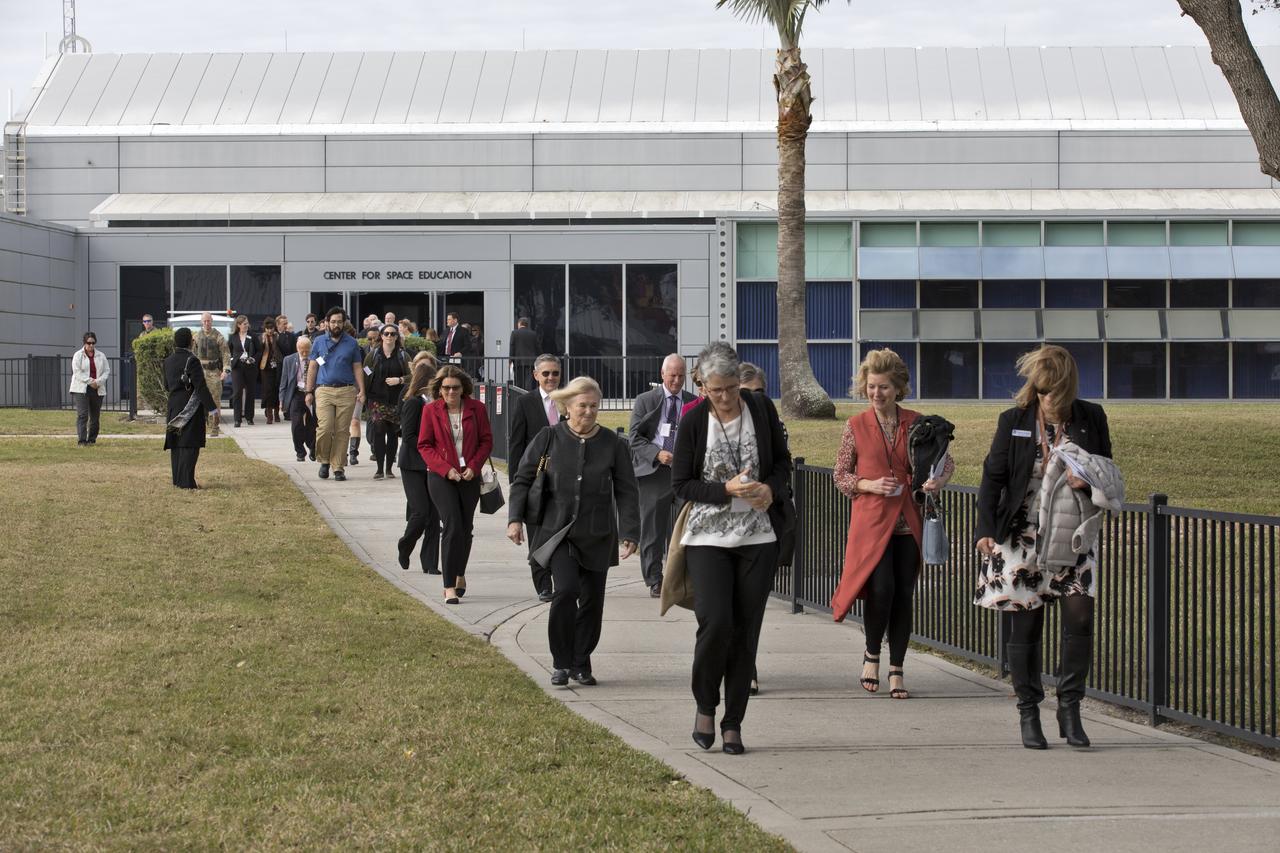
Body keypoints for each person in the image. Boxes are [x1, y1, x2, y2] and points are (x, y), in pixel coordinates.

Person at [974, 345, 1113, 750]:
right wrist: (985, 527)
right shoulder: (1014, 420)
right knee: (1026, 622)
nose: (1049, 400)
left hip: (1072, 533)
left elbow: (1107, 469)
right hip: (1020, 535)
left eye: (1056, 392)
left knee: (1080, 618)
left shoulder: (1091, 417)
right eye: (1042, 391)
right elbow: (992, 478)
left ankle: (1070, 707)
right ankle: (1028, 710)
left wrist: (1087, 483)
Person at [671, 344, 791, 755]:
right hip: (707, 538)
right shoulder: (692, 421)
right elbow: (681, 484)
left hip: (758, 538)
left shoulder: (761, 410)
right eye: (715, 389)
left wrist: (769, 489)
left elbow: (782, 464)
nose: (723, 397)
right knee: (716, 622)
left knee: (745, 631)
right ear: (702, 385)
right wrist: (725, 490)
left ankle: (733, 722)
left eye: (730, 388)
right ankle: (706, 704)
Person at [830, 348, 953, 703]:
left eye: (883, 387)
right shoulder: (855, 426)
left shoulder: (916, 422)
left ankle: (897, 667)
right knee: (880, 589)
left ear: (898, 388)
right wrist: (868, 484)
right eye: (871, 387)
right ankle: (872, 654)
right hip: (871, 523)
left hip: (909, 521)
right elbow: (841, 475)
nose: (876, 394)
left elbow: (945, 463)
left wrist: (936, 481)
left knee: (903, 594)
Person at [508, 377, 640, 687]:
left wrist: (630, 532)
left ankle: (582, 661)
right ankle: (560, 662)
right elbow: (523, 480)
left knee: (593, 603)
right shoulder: (548, 437)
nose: (589, 412)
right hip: (558, 532)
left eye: (594, 406)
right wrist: (514, 519)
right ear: (568, 407)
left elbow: (627, 492)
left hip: (597, 533)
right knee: (566, 591)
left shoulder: (613, 444)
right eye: (583, 405)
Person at [417, 365, 493, 603]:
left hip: (469, 476)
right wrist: (445, 469)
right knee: (451, 525)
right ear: (439, 389)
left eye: (455, 388)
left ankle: (460, 572)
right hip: (441, 477)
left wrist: (474, 466)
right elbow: (424, 445)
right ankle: (449, 585)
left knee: (465, 528)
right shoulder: (431, 411)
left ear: (464, 389)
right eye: (446, 388)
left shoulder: (477, 409)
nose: (450, 392)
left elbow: (486, 441)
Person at [629, 354, 696, 597]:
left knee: (686, 528)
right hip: (654, 472)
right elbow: (634, 438)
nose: (677, 380)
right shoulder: (646, 400)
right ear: (662, 374)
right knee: (652, 531)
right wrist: (657, 454)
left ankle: (681, 578)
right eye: (672, 375)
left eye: (681, 375)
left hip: (683, 475)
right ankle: (655, 580)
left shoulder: (694, 402)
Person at [505, 353, 564, 602]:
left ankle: (563, 578)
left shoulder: (569, 400)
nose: (551, 378)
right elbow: (516, 443)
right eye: (546, 373)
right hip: (536, 481)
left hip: (565, 479)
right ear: (536, 375)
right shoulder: (525, 402)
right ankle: (543, 584)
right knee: (538, 534)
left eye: (555, 373)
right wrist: (517, 483)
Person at [304, 306, 366, 482]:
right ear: (327, 323)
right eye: (333, 321)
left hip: (347, 390)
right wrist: (309, 391)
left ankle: (338, 467)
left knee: (341, 431)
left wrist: (362, 390)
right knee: (324, 428)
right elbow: (313, 367)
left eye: (339, 321)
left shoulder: (352, 343)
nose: (336, 324)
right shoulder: (318, 342)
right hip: (323, 389)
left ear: (344, 323)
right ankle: (324, 460)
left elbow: (357, 367)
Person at [397, 356, 442, 574]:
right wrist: (428, 446)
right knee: (421, 512)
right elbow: (408, 436)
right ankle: (406, 544)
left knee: (435, 515)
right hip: (413, 464)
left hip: (433, 465)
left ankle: (430, 563)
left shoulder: (435, 403)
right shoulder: (413, 402)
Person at [163, 327, 216, 489]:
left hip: (173, 406)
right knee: (190, 445)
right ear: (189, 342)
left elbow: (166, 386)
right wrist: (213, 408)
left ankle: (177, 480)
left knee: (177, 445)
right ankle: (187, 482)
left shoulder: (168, 360)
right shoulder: (192, 360)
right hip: (189, 407)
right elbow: (200, 387)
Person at [365, 323, 410, 480]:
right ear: (381, 336)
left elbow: (413, 376)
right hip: (377, 398)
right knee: (378, 430)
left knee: (392, 433)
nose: (389, 336)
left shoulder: (403, 356)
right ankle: (379, 468)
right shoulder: (374, 354)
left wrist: (399, 380)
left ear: (397, 337)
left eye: (392, 334)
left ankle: (389, 468)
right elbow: (365, 371)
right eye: (386, 334)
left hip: (396, 400)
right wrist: (363, 392)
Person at [278, 335, 316, 462]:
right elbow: (284, 382)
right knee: (296, 424)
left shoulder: (317, 359)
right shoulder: (288, 360)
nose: (305, 353)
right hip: (296, 394)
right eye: (302, 350)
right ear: (297, 348)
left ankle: (313, 448)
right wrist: (282, 399)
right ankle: (300, 451)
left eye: (307, 350)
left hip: (312, 393)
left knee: (313, 424)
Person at [193, 312, 230, 436]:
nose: (206, 323)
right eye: (204, 321)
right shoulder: (196, 336)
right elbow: (192, 355)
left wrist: (226, 370)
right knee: (197, 400)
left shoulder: (218, 336)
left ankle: (215, 427)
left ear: (212, 321)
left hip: (214, 372)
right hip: (200, 372)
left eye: (208, 321)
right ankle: (200, 426)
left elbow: (225, 354)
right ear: (201, 322)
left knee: (215, 400)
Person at [69, 331, 109, 445]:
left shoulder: (101, 355)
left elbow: (106, 371)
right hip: (81, 388)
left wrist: (98, 382)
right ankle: (82, 440)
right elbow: (77, 372)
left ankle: (92, 439)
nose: (91, 345)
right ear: (84, 343)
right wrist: (90, 381)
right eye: (89, 343)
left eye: (93, 343)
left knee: (95, 416)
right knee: (83, 415)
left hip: (97, 388)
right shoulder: (78, 355)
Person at [227, 314, 259, 427]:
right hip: (237, 368)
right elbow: (228, 352)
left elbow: (259, 351)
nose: (247, 325)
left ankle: (249, 417)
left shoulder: (253, 336)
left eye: (247, 323)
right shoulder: (233, 337)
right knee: (237, 393)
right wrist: (233, 359)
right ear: (239, 325)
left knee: (250, 392)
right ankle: (237, 419)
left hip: (250, 367)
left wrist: (253, 359)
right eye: (244, 324)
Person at [259, 317, 283, 425]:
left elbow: (283, 349)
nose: (269, 330)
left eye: (271, 328)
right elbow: (259, 351)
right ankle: (269, 415)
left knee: (277, 389)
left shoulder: (278, 337)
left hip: (277, 366)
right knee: (268, 391)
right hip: (266, 367)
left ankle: (277, 413)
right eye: (267, 328)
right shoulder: (261, 337)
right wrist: (263, 342)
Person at [509, 317, 539, 390]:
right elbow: (537, 347)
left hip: (518, 362)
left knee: (519, 382)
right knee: (529, 382)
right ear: (527, 325)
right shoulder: (533, 334)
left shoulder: (514, 333)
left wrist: (510, 361)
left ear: (519, 324)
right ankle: (528, 396)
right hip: (531, 362)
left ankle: (519, 396)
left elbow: (512, 347)